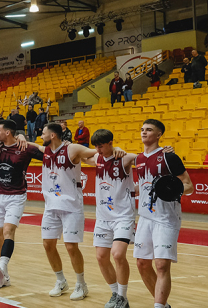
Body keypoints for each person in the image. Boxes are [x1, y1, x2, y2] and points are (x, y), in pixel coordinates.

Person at [17, 124, 109, 301]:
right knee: (47, 244)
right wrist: (22, 139)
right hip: (51, 206)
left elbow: (96, 153)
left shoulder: (71, 148)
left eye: (42, 133)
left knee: (71, 246)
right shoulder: (46, 150)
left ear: (52, 135)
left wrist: (117, 150)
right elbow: (34, 145)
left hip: (71, 206)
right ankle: (61, 281)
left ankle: (81, 284)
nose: (40, 135)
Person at [133, 119, 193, 308]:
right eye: (142, 129)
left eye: (149, 130)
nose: (144, 132)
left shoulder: (169, 157)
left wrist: (172, 190)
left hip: (166, 218)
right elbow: (143, 186)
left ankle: (158, 306)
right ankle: (164, 305)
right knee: (142, 263)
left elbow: (189, 185)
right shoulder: (137, 159)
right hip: (145, 216)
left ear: (159, 135)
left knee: (161, 265)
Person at [80, 129, 138, 308]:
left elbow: (142, 158)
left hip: (123, 215)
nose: (97, 149)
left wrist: (122, 150)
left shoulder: (124, 159)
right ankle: (114, 293)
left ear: (111, 142)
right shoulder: (97, 158)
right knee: (101, 257)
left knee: (118, 254)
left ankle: (123, 296)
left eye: (101, 145)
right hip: (103, 217)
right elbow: (81, 156)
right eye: (95, 145)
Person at [0, 120, 43, 289]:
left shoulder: (25, 147)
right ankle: (3, 277)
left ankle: (2, 268)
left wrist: (26, 138)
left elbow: (49, 153)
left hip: (16, 196)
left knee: (8, 231)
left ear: (8, 132)